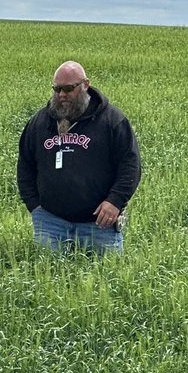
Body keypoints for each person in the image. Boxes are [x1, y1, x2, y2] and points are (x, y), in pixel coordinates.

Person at [17, 61, 142, 255]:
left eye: (68, 88)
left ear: (85, 85)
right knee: (47, 279)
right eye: (57, 89)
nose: (61, 95)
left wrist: (115, 201)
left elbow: (130, 165)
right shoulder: (40, 123)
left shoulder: (112, 121)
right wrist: (34, 206)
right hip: (50, 221)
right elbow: (25, 164)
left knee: (104, 280)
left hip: (99, 225)